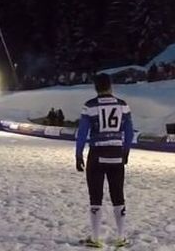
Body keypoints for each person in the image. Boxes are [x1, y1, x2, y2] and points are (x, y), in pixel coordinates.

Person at [75, 73, 134, 249]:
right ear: (111, 86)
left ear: (96, 88)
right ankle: (121, 237)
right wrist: (126, 151)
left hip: (97, 154)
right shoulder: (123, 106)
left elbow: (82, 133)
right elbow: (129, 132)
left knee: (95, 197)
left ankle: (95, 238)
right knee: (118, 196)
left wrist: (78, 155)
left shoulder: (90, 106)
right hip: (116, 153)